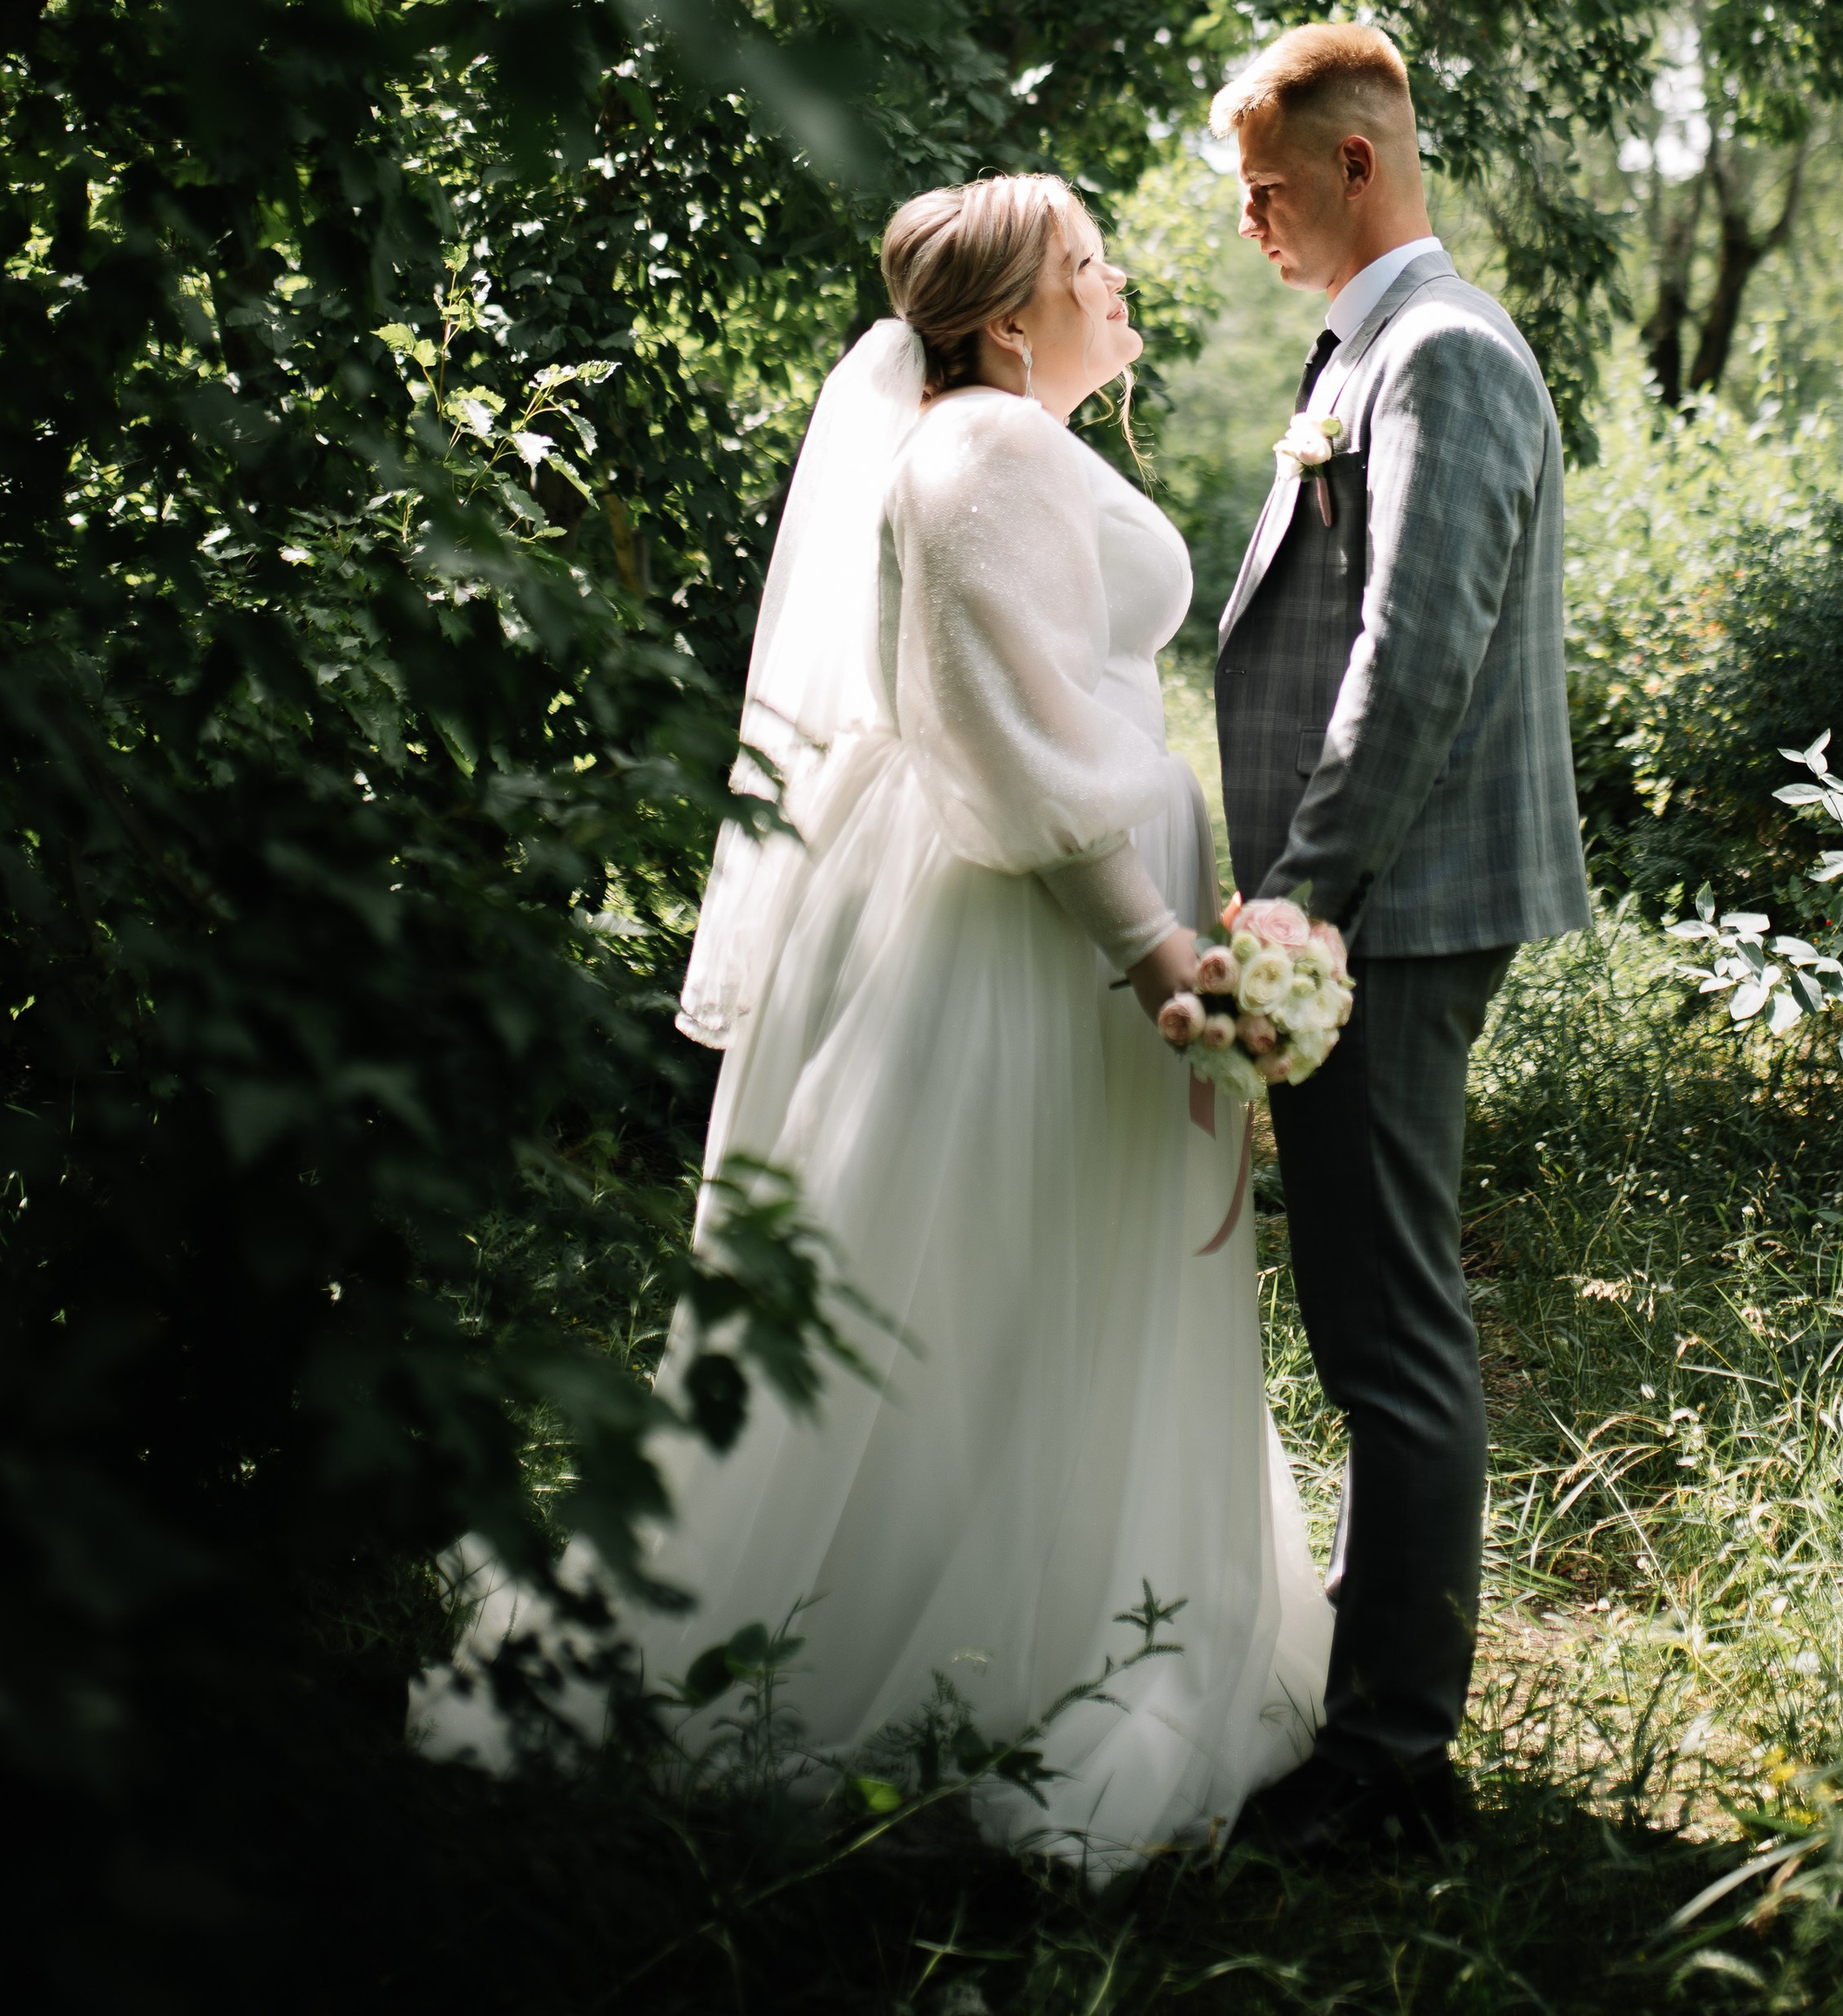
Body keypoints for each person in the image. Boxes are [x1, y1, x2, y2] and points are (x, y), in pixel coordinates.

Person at [413, 174, 1331, 1873]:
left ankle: (1041, 1601)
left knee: (1003, 1279)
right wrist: (1148, 950)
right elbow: (997, 725)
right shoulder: (975, 449)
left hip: (1033, 927)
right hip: (1009, 939)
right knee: (975, 1276)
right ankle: (977, 1642)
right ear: (1002, 320)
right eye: (1084, 262)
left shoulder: (1013, 441)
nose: (1114, 277)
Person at [1210, 25, 1590, 1858]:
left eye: (1268, 189)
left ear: (1355, 168)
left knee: (1391, 1339)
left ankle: (1389, 1768)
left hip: (1391, 907)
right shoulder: (1374, 347)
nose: (1250, 223)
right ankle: (1377, 1727)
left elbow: (1411, 654)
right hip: (1367, 904)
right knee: (1375, 1323)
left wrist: (1303, 890)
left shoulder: (1440, 352)